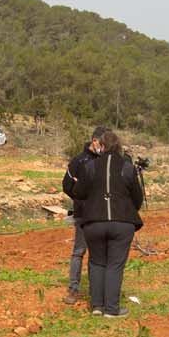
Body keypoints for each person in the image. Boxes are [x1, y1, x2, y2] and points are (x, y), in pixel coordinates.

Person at [70, 128, 144, 317]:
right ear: (118, 147)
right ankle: (111, 309)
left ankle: (97, 306)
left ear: (101, 146)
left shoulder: (90, 167)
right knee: (114, 265)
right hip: (122, 223)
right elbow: (137, 197)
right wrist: (127, 210)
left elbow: (78, 192)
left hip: (94, 223)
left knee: (96, 262)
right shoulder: (127, 167)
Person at [60, 128, 106, 306]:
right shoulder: (79, 160)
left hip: (102, 214)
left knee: (99, 253)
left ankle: (97, 290)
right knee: (79, 251)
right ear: (94, 141)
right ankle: (73, 289)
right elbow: (67, 185)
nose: (103, 147)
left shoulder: (106, 161)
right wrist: (81, 199)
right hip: (84, 214)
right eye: (101, 143)